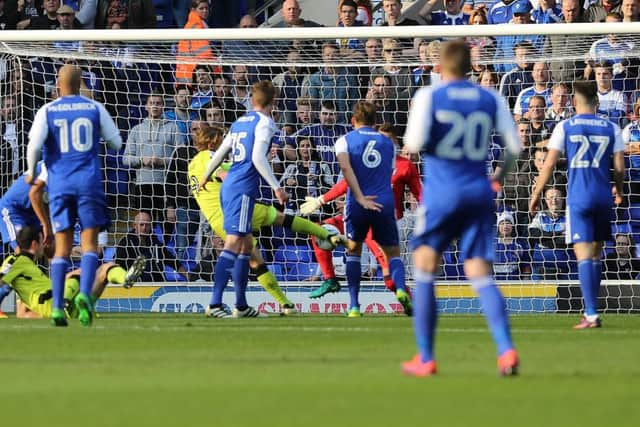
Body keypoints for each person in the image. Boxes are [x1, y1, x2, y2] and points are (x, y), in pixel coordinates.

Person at [403, 40, 522, 376]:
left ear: (440, 67)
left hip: (442, 192)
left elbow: (412, 144)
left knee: (425, 266)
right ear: (471, 67)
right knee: (480, 273)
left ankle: (425, 357)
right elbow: (515, 146)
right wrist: (497, 178)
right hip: (479, 191)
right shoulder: (491, 98)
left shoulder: (430, 97)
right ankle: (506, 351)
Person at [190, 126, 345, 316]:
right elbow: (226, 176)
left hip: (217, 219)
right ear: (211, 141)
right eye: (222, 139)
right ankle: (326, 235)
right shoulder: (208, 157)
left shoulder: (193, 164)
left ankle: (264, 306)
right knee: (280, 218)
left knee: (254, 260)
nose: (225, 143)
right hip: (234, 210)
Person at [26, 64, 123, 327]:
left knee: (63, 247)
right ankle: (84, 297)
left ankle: (57, 307)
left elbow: (34, 145)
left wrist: (29, 172)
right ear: (81, 84)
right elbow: (116, 143)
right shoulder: (94, 108)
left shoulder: (47, 110)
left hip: (59, 185)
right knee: (90, 244)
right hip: (88, 183)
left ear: (58, 85)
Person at [530, 80, 625, 329]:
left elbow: (549, 164)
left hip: (579, 197)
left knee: (583, 256)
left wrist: (537, 193)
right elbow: (619, 167)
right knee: (596, 255)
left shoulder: (566, 126)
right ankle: (592, 312)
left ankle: (591, 313)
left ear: (574, 102)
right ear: (596, 101)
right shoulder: (611, 127)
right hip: (603, 196)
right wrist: (620, 191)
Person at [197, 81, 290, 318]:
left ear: (252, 100)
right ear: (274, 102)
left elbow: (220, 152)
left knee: (246, 246)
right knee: (232, 244)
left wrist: (206, 176)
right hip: (243, 187)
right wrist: (277, 187)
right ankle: (215, 304)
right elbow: (259, 157)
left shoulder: (240, 121)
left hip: (230, 186)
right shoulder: (265, 122)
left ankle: (240, 306)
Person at [333, 101, 411, 317]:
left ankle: (354, 305)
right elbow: (390, 172)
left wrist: (360, 197)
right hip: (384, 202)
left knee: (354, 251)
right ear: (375, 122)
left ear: (353, 120)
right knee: (393, 253)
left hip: (358, 202)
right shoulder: (388, 144)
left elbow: (346, 168)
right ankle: (402, 289)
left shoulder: (344, 141)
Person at [0, 226, 145, 320]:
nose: (44, 244)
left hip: (59, 300)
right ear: (34, 244)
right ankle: (64, 303)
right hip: (52, 303)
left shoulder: (28, 267)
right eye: (41, 240)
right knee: (79, 275)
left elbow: (22, 311)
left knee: (106, 268)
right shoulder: (15, 261)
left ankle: (126, 278)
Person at [115, 211, 191, 282]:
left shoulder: (156, 243)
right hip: (135, 286)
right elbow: (117, 265)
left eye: (147, 225)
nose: (144, 228)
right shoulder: (125, 242)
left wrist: (189, 277)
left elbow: (173, 262)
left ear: (151, 226)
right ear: (135, 225)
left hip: (158, 285)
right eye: (141, 225)